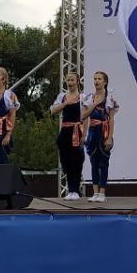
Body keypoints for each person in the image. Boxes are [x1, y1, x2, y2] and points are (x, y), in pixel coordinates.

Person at [82, 71, 119, 202]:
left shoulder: (109, 98)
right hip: (92, 133)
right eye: (95, 78)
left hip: (104, 132)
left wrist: (109, 137)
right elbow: (83, 116)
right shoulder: (89, 98)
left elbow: (111, 120)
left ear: (105, 82)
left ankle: (102, 193)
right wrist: (94, 104)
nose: (96, 81)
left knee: (103, 163)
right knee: (94, 163)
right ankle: (95, 192)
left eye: (99, 79)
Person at [51, 72, 87, 200]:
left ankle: (75, 190)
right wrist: (65, 103)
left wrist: (84, 134)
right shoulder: (62, 96)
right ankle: (70, 190)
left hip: (77, 130)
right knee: (65, 161)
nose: (70, 82)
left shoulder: (83, 97)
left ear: (77, 81)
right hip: (65, 130)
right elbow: (53, 110)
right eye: (68, 80)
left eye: (72, 80)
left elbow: (86, 116)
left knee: (76, 160)